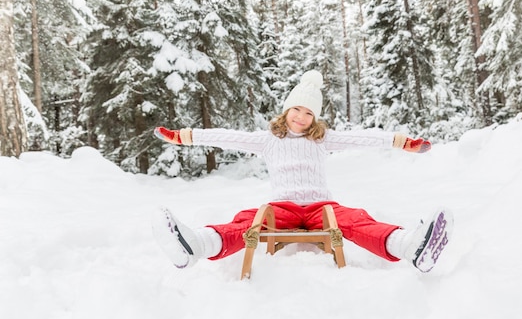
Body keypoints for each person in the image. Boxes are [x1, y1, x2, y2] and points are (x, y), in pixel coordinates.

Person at [152, 70, 451, 273]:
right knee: (249, 220)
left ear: (315, 118)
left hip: (322, 207)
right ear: (286, 110)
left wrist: (401, 142)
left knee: (355, 218)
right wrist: (185, 136)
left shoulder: (321, 138)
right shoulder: (269, 139)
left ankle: (409, 246)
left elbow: (363, 137)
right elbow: (226, 135)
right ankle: (196, 245)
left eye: (309, 113)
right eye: (297, 110)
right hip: (282, 207)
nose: (301, 117)